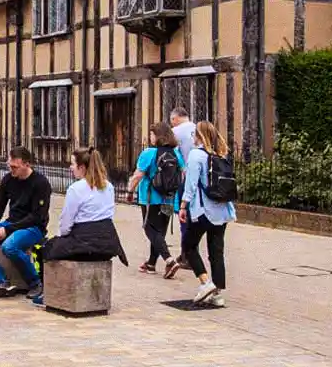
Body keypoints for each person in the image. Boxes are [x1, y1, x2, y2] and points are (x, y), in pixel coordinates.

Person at [33, 147, 129, 306]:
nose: (70, 167)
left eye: (72, 164)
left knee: (41, 248)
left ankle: (47, 292)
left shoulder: (76, 189)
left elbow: (66, 223)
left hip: (83, 244)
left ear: (82, 167)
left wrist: (59, 238)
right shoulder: (108, 186)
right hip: (107, 244)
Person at [0, 147, 52, 298]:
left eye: (15, 167)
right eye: (10, 165)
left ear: (27, 164)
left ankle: (35, 282)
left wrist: (8, 230)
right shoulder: (8, 179)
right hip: (12, 223)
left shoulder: (41, 183)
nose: (11, 169)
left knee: (10, 246)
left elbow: (37, 216)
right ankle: (1, 281)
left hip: (33, 227)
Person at [178, 121, 236, 307]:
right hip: (223, 210)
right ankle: (217, 294)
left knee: (188, 245)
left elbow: (191, 183)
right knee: (216, 251)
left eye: (194, 134)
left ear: (199, 135)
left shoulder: (197, 155)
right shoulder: (221, 154)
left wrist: (183, 206)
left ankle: (206, 283)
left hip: (204, 210)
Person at [127, 123, 183, 277]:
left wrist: (130, 191)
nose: (150, 137)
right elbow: (182, 174)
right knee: (160, 231)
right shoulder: (176, 154)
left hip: (151, 198)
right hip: (170, 198)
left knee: (149, 229)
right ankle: (151, 264)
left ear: (157, 136)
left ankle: (169, 260)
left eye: (151, 134)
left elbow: (138, 175)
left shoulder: (148, 153)